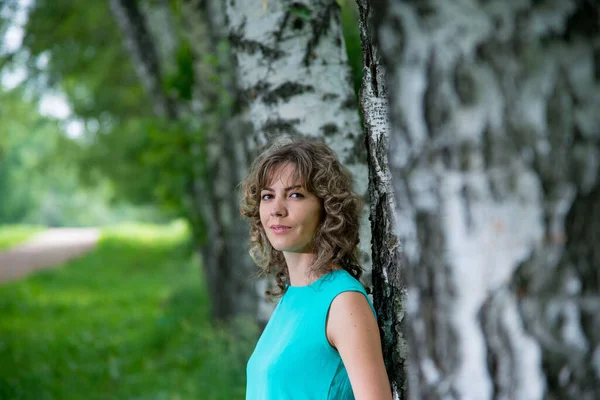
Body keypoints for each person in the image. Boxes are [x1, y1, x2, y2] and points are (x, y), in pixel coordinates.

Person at [240, 137, 392, 400]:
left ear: (327, 209)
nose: (276, 209)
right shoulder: (292, 296)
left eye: (295, 195)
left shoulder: (343, 302)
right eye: (268, 196)